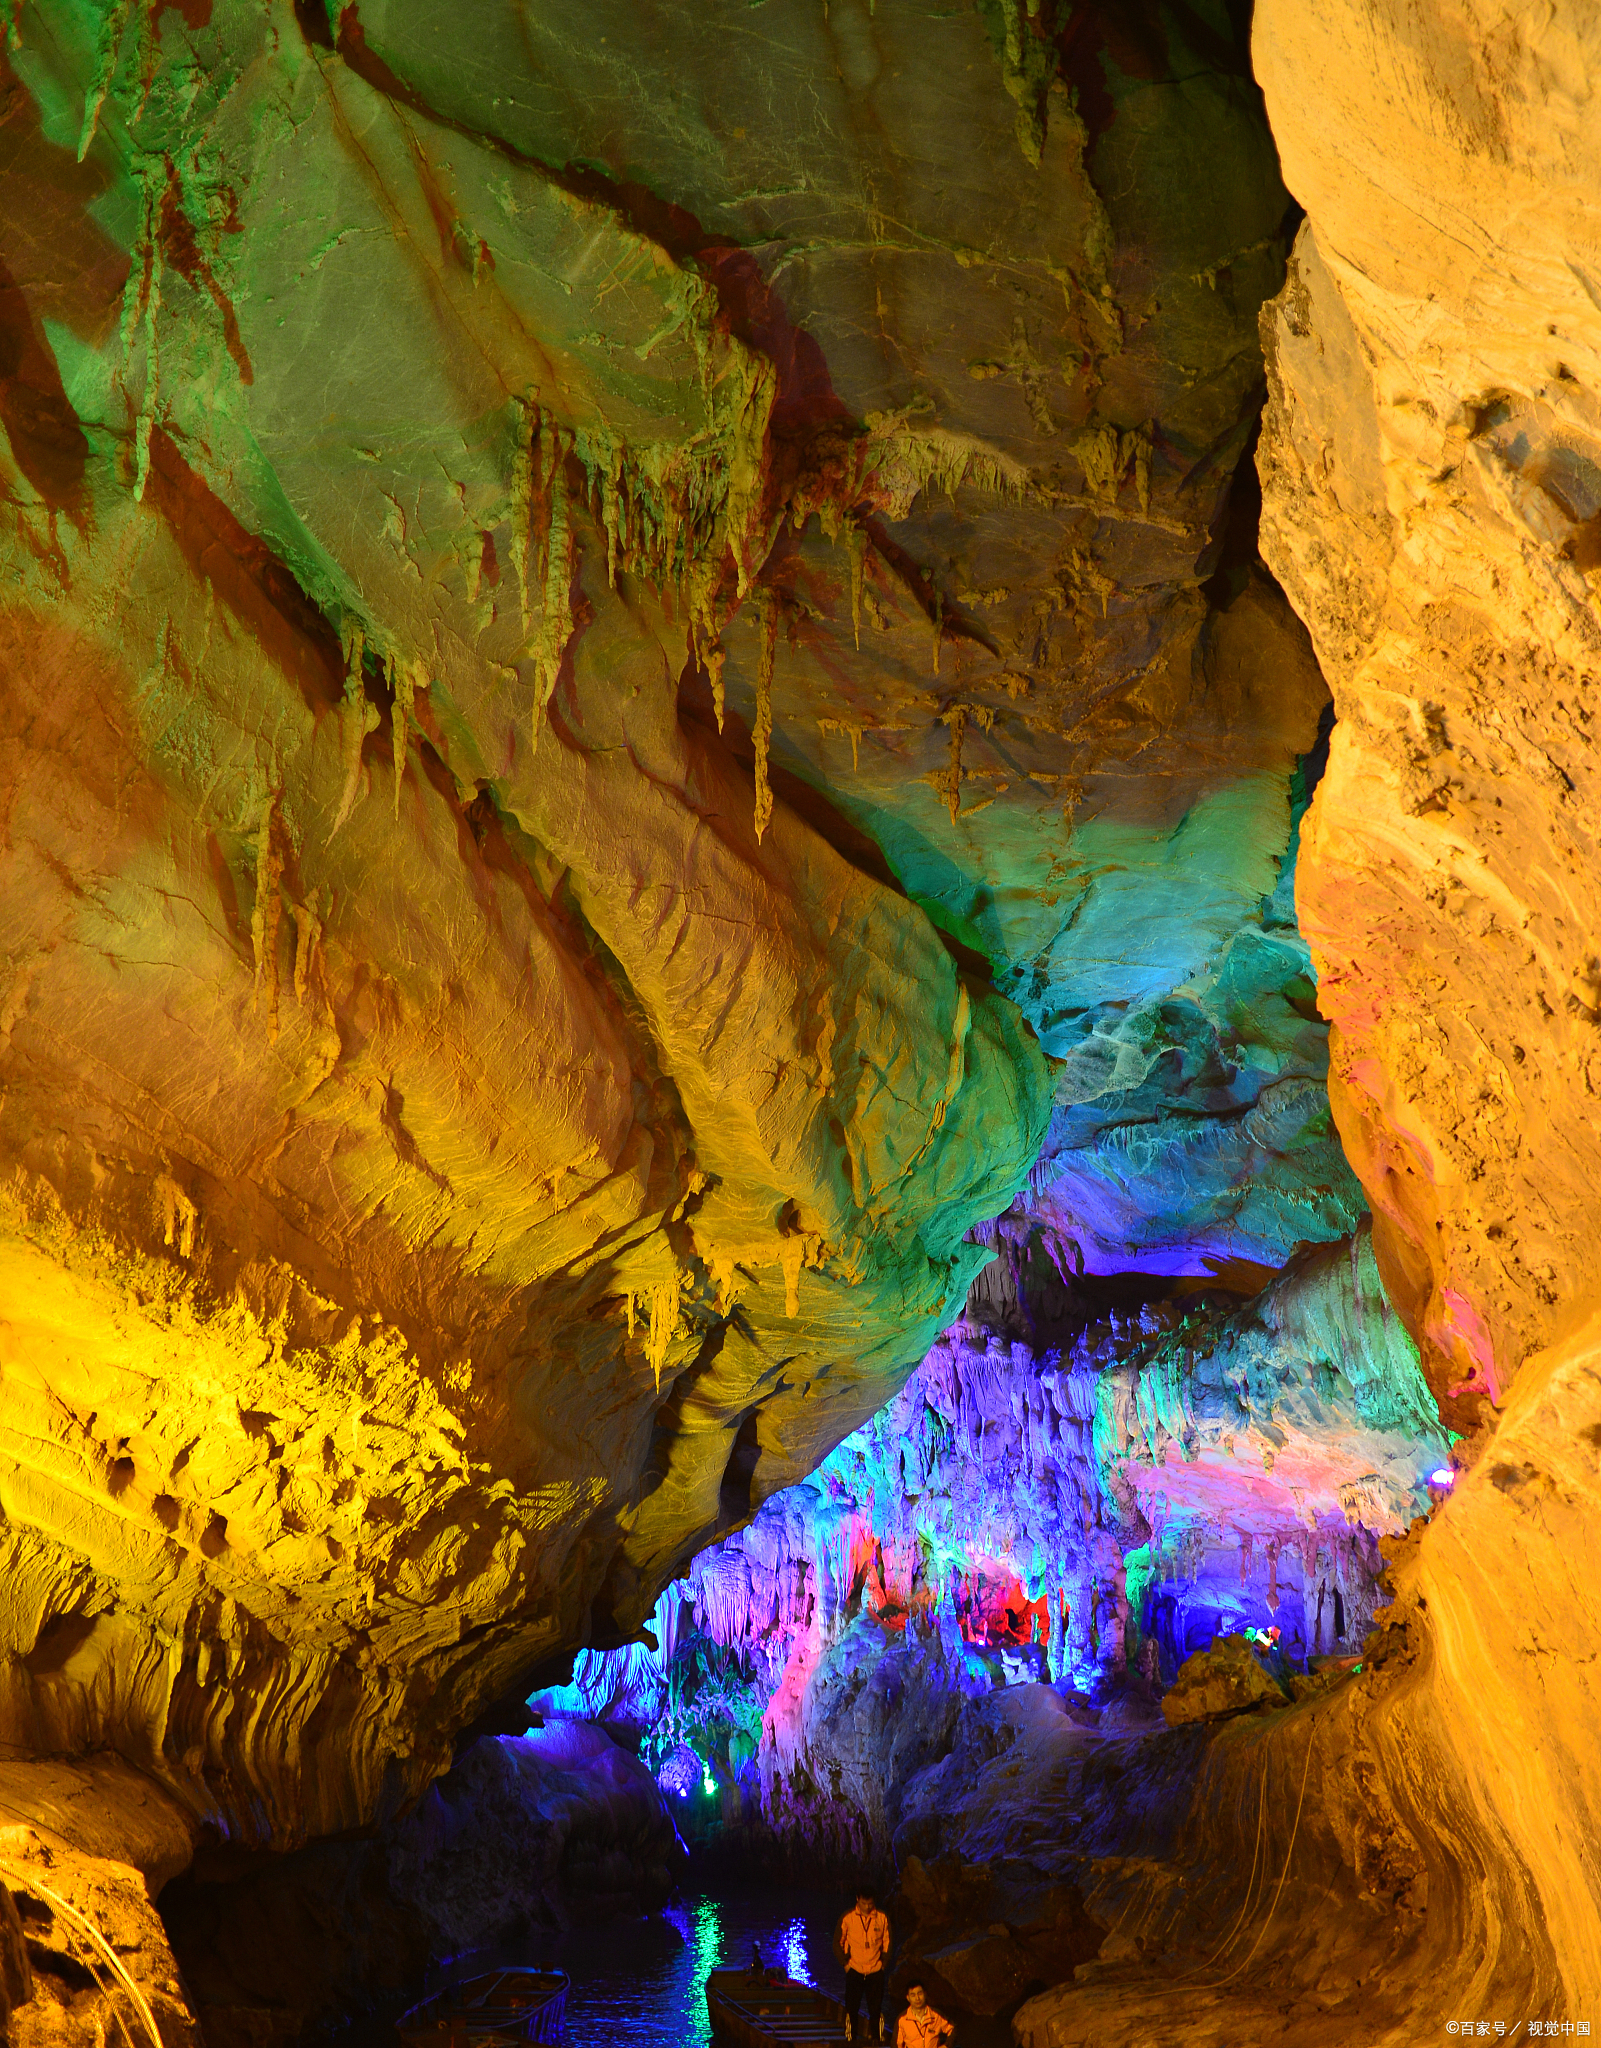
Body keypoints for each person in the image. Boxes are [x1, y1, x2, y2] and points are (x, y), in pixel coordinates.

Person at [835, 1884, 892, 2043]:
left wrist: (883, 1964)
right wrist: (845, 1964)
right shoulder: (848, 1917)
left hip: (875, 1969)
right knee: (851, 2007)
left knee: (876, 2008)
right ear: (857, 1899)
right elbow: (838, 1942)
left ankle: (876, 2039)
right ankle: (851, 2039)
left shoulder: (882, 1918)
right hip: (854, 1969)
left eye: (870, 1904)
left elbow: (887, 1942)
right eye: (864, 1903)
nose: (867, 1907)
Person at [896, 1981, 953, 2046]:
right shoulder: (902, 2019)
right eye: (913, 1995)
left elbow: (953, 2029)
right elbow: (896, 2044)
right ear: (908, 1998)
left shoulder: (936, 2015)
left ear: (925, 1994)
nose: (917, 1998)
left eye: (920, 1994)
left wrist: (946, 2046)